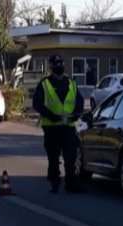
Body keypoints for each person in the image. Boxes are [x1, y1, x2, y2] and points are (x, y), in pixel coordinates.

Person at [33, 55, 85, 193]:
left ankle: (71, 184)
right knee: (53, 158)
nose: (59, 67)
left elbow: (79, 102)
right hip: (51, 127)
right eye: (56, 65)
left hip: (68, 127)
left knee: (70, 157)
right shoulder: (45, 84)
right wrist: (51, 116)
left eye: (61, 64)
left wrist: (76, 115)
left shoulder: (71, 83)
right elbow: (37, 104)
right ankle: (55, 182)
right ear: (51, 68)